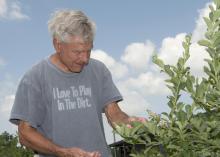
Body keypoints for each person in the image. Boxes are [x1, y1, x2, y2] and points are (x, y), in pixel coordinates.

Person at [9, 9, 133, 157]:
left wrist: (134, 124)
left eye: (89, 51)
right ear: (57, 44)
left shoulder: (99, 70)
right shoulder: (35, 78)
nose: (85, 59)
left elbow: (114, 114)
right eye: (78, 52)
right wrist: (62, 152)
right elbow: (25, 134)